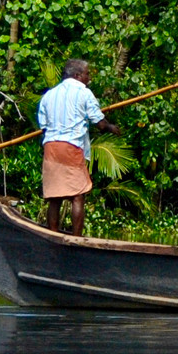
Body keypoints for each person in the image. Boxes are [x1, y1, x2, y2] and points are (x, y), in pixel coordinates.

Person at [37, 59, 115, 235]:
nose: (89, 78)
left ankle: (53, 234)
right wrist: (111, 128)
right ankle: (77, 239)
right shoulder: (83, 93)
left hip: (51, 146)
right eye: (87, 74)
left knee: (54, 196)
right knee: (78, 194)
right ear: (78, 75)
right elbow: (100, 123)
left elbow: (43, 126)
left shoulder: (49, 95)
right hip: (71, 146)